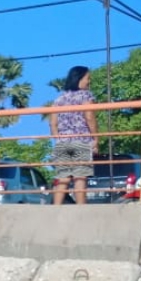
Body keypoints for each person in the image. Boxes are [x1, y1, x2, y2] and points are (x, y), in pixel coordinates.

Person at [50, 66, 98, 206]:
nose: (89, 82)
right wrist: (96, 137)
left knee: (63, 179)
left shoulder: (59, 99)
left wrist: (58, 139)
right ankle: (81, 209)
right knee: (80, 178)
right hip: (81, 140)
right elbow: (89, 117)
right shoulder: (86, 96)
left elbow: (53, 123)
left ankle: (56, 208)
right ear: (80, 79)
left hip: (63, 142)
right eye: (87, 78)